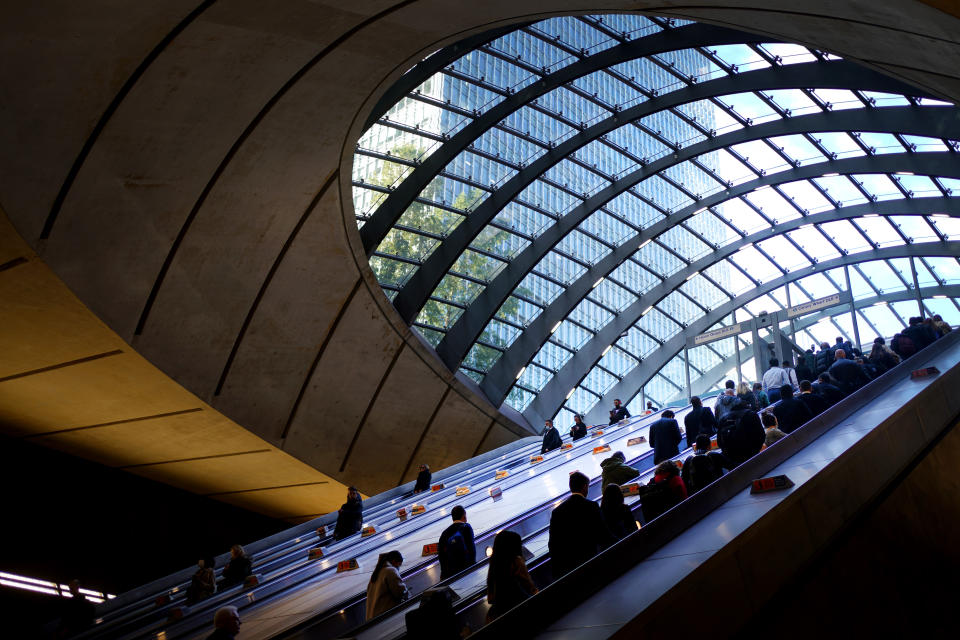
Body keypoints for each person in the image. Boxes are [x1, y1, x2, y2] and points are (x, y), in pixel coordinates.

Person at [548, 471, 613, 578]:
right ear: (584, 487)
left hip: (568, 567)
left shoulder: (557, 512)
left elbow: (553, 543)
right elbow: (603, 534)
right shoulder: (591, 506)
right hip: (589, 560)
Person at [486, 530, 537, 622]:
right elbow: (529, 585)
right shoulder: (516, 561)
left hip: (499, 612)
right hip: (520, 607)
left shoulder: (494, 563)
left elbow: (490, 598)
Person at [716, 399, 765, 468]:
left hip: (732, 461)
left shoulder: (723, 419)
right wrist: (755, 451)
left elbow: (719, 443)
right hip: (751, 456)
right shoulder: (751, 414)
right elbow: (761, 436)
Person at [366, 550, 408, 619]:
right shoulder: (390, 571)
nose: (398, 568)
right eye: (399, 564)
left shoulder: (376, 574)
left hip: (373, 618)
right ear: (394, 561)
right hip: (385, 616)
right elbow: (400, 592)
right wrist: (406, 591)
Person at [437, 505, 476, 579]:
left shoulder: (444, 533)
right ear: (464, 516)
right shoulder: (466, 527)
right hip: (465, 572)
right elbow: (472, 550)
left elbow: (441, 556)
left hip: (449, 575)